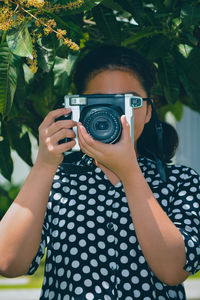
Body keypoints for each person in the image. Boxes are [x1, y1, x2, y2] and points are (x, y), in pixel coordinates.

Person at [0, 45, 200, 300]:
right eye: (101, 103)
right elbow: (7, 262)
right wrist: (44, 164)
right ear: (77, 108)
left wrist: (130, 173)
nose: (112, 114)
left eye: (128, 101)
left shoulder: (180, 181)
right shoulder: (56, 179)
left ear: (149, 111)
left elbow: (174, 270)